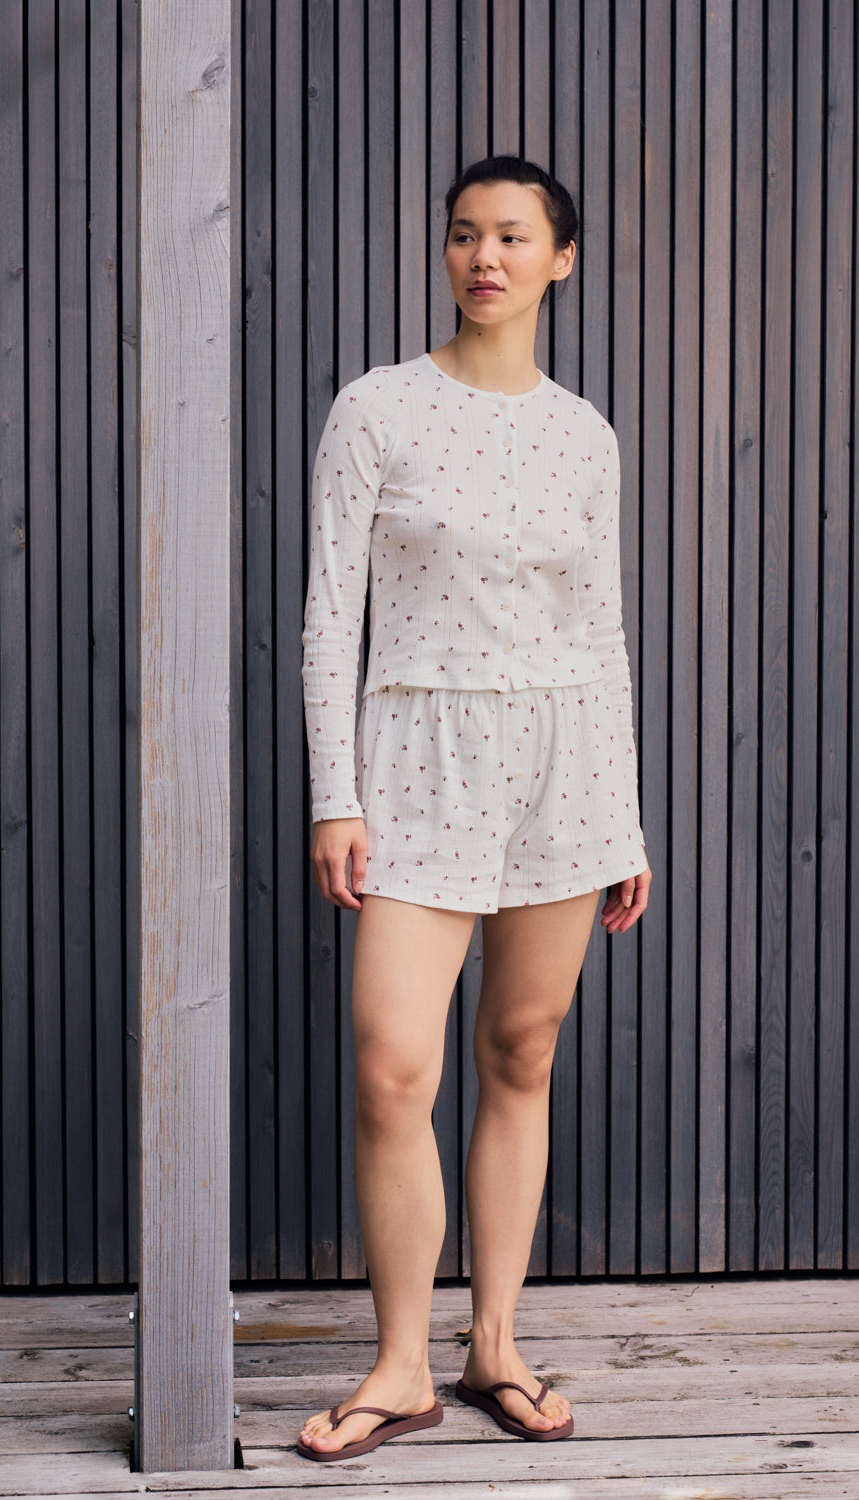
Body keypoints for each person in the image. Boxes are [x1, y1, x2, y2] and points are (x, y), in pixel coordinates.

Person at [296, 155, 652, 1462]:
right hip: (418, 759)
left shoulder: (584, 433)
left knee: (523, 1054)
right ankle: (399, 1363)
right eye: (462, 235)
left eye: (511, 236)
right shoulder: (376, 410)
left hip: (563, 767)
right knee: (393, 1065)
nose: (482, 257)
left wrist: (624, 812)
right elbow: (330, 619)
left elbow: (600, 632)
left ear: (562, 259)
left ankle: (493, 1339)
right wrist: (335, 793)